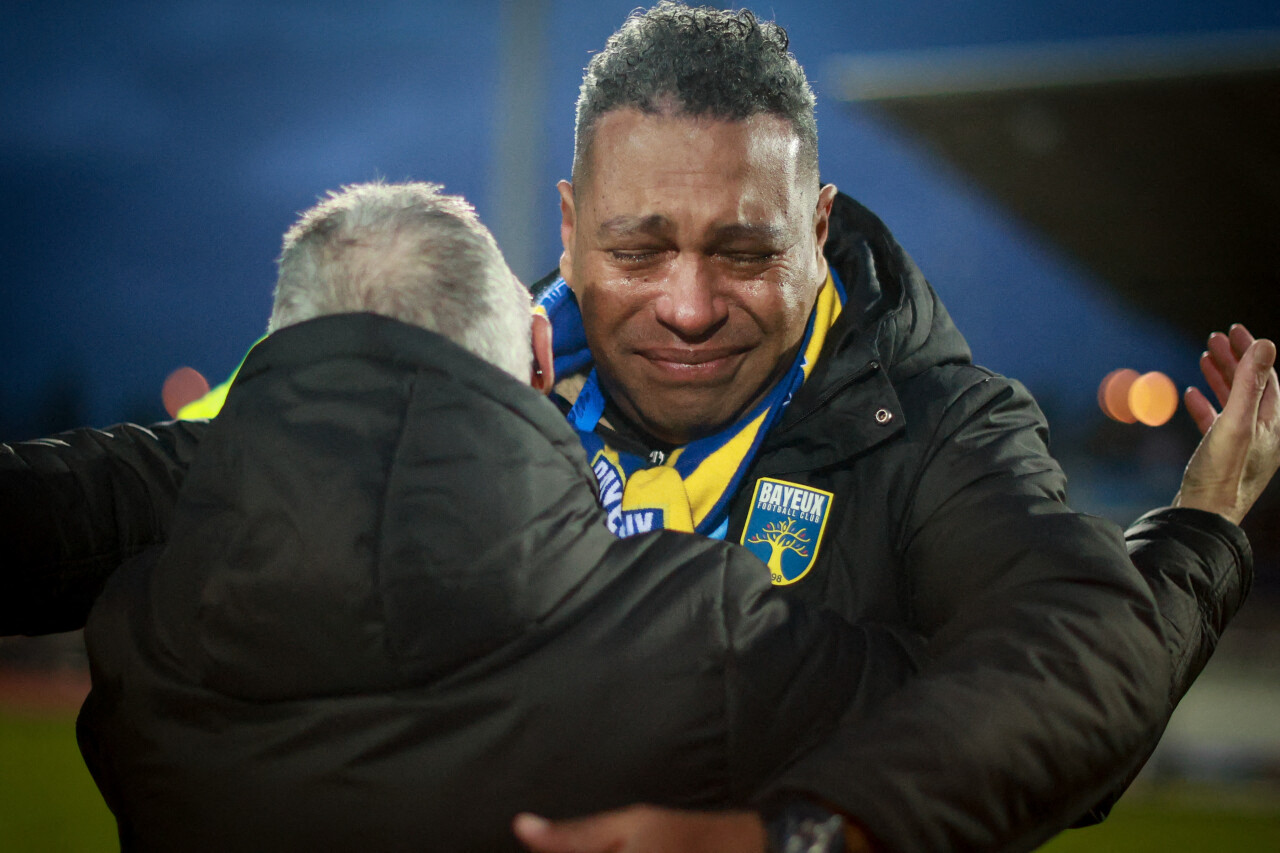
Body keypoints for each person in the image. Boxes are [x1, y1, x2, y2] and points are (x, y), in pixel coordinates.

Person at [1, 3, 1277, 851]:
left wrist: (800, 832)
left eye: (742, 249)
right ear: (565, 225)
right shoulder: (447, 372)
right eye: (634, 246)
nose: (684, 305)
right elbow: (139, 482)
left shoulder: (942, 425)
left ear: (816, 230)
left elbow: (1072, 657)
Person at [73, 181, 924, 852]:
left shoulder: (139, 628)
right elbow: (992, 708)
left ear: (281, 354)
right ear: (540, 351)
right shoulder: (700, 628)